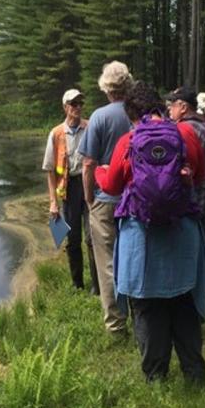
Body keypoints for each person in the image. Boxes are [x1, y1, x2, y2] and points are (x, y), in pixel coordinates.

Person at [96, 81, 205, 383]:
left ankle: (156, 377)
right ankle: (194, 373)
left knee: (148, 306)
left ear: (131, 113)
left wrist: (98, 169)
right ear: (160, 106)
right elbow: (199, 175)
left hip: (142, 235)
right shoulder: (185, 134)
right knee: (183, 302)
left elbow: (111, 186)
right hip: (182, 231)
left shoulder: (129, 139)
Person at [78, 61, 132, 335]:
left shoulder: (99, 117)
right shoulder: (137, 114)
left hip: (105, 199)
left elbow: (88, 163)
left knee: (107, 262)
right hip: (135, 200)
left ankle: (115, 325)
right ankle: (140, 313)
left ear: (105, 87)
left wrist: (89, 199)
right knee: (133, 256)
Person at [167, 87, 205, 292]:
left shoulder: (181, 131)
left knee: (187, 250)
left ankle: (193, 290)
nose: (169, 110)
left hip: (189, 200)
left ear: (183, 107)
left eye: (173, 105)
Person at [42, 88, 98, 292]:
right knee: (73, 238)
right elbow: (50, 170)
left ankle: (98, 285)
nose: (78, 107)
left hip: (90, 184)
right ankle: (78, 284)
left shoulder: (91, 126)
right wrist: (53, 202)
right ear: (65, 107)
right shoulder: (56, 133)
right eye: (74, 104)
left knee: (93, 236)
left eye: (80, 104)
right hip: (69, 188)